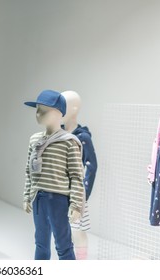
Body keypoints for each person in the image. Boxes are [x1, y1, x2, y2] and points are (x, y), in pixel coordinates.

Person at [23, 89, 85, 260]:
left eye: (43, 110)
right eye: (36, 109)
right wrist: (27, 196)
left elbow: (77, 176)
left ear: (58, 113)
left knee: (63, 244)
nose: (37, 114)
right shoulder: (35, 140)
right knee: (40, 243)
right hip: (38, 198)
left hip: (58, 200)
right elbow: (29, 172)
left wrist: (75, 205)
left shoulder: (69, 142)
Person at [61, 90, 98, 260]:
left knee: (77, 230)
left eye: (63, 106)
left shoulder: (83, 137)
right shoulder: (57, 134)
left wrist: (83, 193)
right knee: (62, 230)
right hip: (59, 191)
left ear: (74, 108)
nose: (59, 110)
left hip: (76, 193)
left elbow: (91, 165)